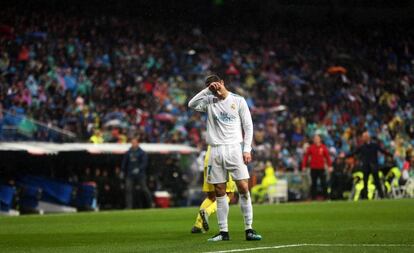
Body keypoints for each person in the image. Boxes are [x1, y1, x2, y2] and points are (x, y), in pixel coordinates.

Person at [188, 74, 261, 242]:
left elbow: (248, 126)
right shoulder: (209, 101)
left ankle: (249, 229)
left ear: (222, 83)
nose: (214, 89)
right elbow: (190, 104)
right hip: (215, 150)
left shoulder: (239, 100)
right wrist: (207, 90)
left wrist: (247, 149)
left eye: (215, 85)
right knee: (220, 191)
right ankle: (223, 232)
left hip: (235, 149)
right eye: (210, 87)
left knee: (243, 188)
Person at [191, 145, 236, 233]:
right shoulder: (227, 133)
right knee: (229, 194)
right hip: (222, 158)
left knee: (211, 196)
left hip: (208, 159)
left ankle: (197, 225)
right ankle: (207, 212)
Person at [348, 131, 391, 199]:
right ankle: (365, 196)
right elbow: (354, 152)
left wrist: (390, 155)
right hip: (366, 167)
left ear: (367, 137)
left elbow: (382, 151)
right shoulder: (362, 147)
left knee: (377, 182)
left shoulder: (374, 145)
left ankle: (382, 196)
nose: (363, 138)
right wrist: (345, 156)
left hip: (373, 166)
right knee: (365, 182)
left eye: (364, 137)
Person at [121, 137, 151, 208]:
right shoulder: (128, 152)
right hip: (130, 174)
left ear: (137, 143)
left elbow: (144, 163)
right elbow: (124, 162)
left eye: (134, 142)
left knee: (144, 189)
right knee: (128, 190)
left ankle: (150, 204)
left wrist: (139, 169)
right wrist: (122, 171)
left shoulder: (142, 153)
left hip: (140, 175)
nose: (133, 144)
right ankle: (129, 207)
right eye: (132, 143)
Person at [301, 134, 332, 200]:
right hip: (313, 168)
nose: (316, 140)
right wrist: (304, 166)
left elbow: (327, 157)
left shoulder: (323, 147)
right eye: (315, 139)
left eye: (317, 138)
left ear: (320, 139)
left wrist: (330, 166)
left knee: (323, 183)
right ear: (313, 140)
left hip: (321, 168)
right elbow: (306, 157)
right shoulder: (311, 147)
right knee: (313, 184)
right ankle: (313, 198)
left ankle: (326, 197)